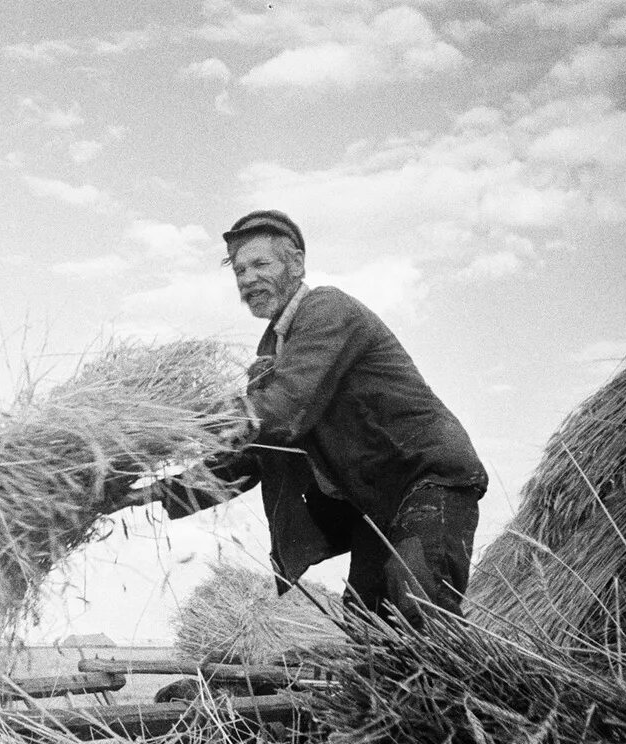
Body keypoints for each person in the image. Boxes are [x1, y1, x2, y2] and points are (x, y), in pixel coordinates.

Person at [140, 210, 487, 626]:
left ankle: (473, 692)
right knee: (367, 620)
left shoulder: (326, 311)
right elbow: (254, 455)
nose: (247, 279)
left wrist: (182, 420)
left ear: (297, 264)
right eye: (240, 271)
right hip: (378, 504)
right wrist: (156, 492)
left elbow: (284, 408)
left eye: (261, 264)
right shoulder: (273, 356)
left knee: (418, 598)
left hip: (428, 479)